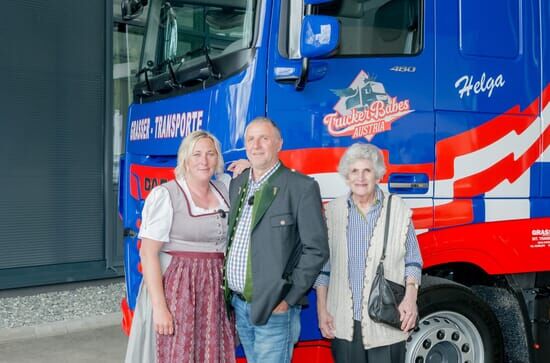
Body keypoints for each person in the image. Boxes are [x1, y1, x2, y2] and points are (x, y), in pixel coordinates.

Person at [125, 130, 246, 363]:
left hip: (215, 289)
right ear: (185, 160)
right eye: (197, 154)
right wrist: (160, 308)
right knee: (177, 351)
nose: (204, 160)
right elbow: (148, 253)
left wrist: (250, 166)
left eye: (210, 154)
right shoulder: (166, 195)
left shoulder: (224, 188)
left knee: (212, 351)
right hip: (179, 287)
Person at [224, 117, 329, 363]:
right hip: (240, 305)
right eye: (250, 139)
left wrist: (288, 298)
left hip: (275, 308)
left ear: (279, 144)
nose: (256, 145)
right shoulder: (238, 183)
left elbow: (316, 249)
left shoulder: (301, 187)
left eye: (264, 138)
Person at [315, 143, 423, 363]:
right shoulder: (333, 212)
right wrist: (322, 310)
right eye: (354, 171)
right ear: (347, 176)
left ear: (378, 176)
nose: (360, 177)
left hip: (386, 320)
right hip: (344, 322)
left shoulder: (398, 209)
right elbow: (323, 267)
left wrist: (410, 300)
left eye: (367, 171)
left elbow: (413, 261)